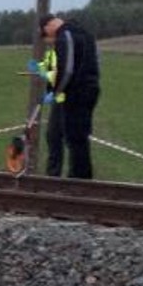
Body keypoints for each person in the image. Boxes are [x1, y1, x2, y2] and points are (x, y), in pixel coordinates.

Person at [37, 14, 101, 179]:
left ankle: (78, 179)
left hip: (76, 92)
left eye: (46, 35)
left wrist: (55, 91)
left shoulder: (65, 36)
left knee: (74, 137)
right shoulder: (85, 33)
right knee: (79, 137)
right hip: (90, 88)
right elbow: (96, 61)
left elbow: (67, 69)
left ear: (47, 27)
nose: (50, 39)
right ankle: (82, 177)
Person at [28, 33, 64, 176]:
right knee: (53, 136)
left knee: (56, 135)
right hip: (57, 97)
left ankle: (55, 174)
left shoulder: (63, 52)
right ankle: (53, 174)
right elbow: (49, 68)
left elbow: (58, 74)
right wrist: (38, 67)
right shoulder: (52, 52)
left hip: (63, 98)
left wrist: (41, 71)